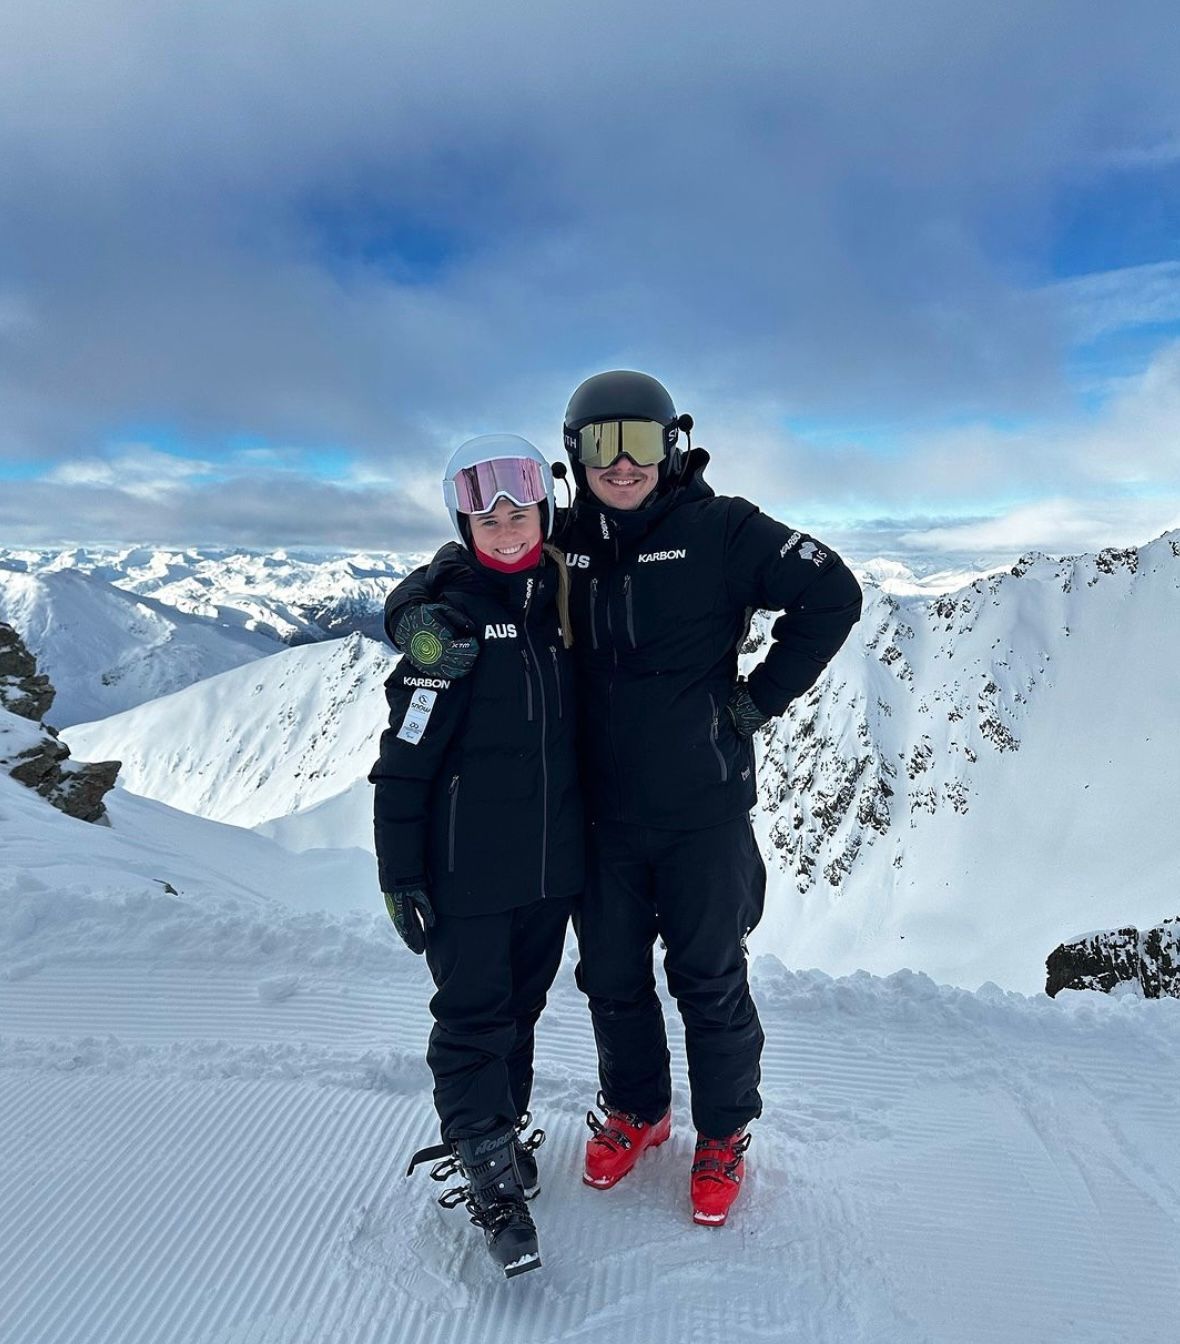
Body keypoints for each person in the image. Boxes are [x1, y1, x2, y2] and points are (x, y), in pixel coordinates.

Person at [387, 373, 862, 1227]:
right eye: (601, 443)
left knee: (708, 979)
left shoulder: (723, 529)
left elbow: (833, 594)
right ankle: (639, 1111)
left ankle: (724, 1133)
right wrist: (411, 614)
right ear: (574, 455)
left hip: (702, 814)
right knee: (611, 979)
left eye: (640, 441)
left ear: (672, 444)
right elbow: (468, 563)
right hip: (600, 819)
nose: (624, 463)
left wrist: (759, 701)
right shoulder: (564, 536)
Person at [369, 434, 583, 1279]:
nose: (502, 527)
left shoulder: (559, 599)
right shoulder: (451, 618)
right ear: (462, 522)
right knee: (471, 1022)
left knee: (520, 1013)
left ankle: (500, 1135)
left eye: (518, 511)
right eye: (484, 516)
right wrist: (401, 874)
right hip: (466, 874)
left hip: (547, 869)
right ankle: (488, 1175)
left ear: (543, 511)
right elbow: (405, 758)